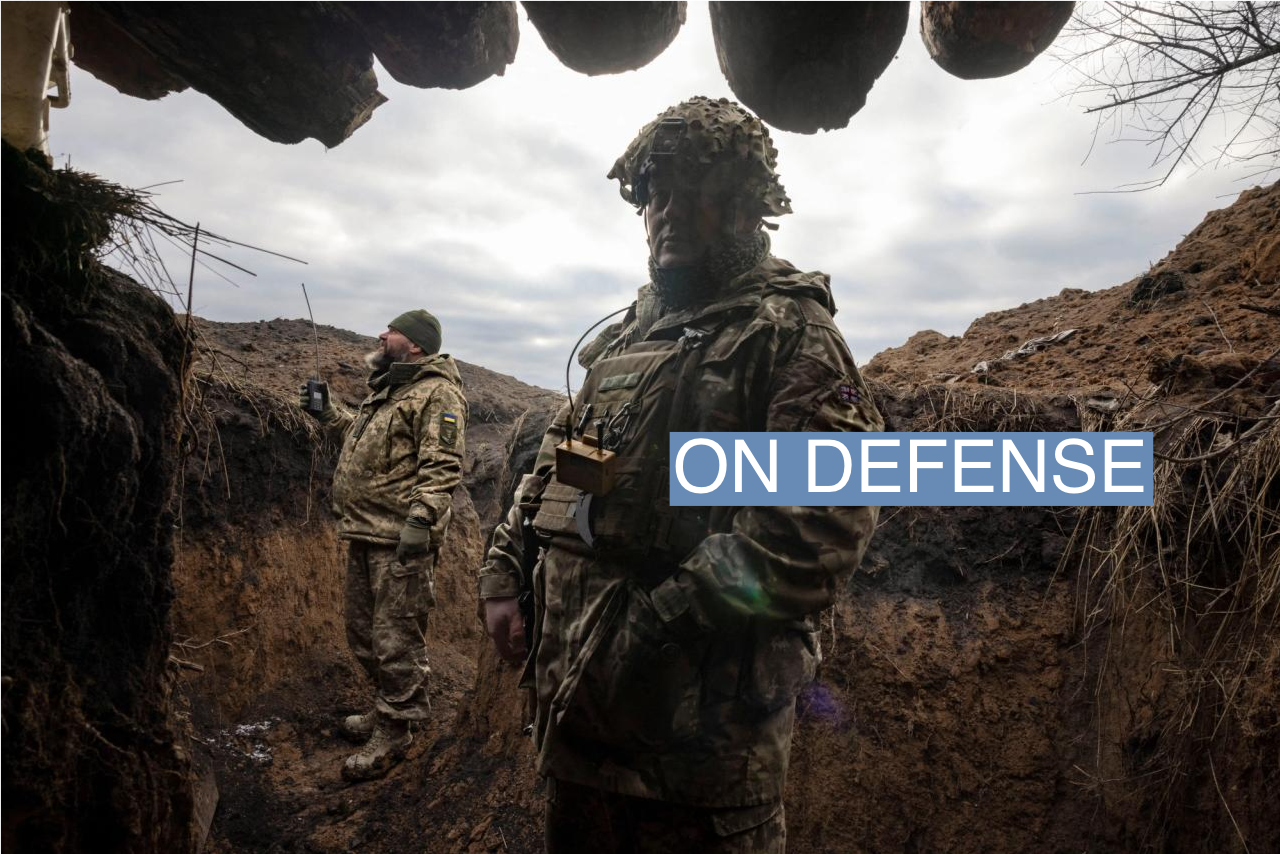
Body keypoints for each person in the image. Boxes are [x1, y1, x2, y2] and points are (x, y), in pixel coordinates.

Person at [477, 96, 884, 851]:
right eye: (652, 195)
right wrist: (507, 567)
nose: (663, 213)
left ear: (738, 206)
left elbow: (819, 519)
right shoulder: (633, 335)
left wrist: (661, 623)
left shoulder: (791, 334)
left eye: (686, 193)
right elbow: (573, 464)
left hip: (703, 761)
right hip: (585, 731)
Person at [300, 309, 466, 782]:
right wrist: (327, 412)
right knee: (364, 634)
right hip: (366, 530)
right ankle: (386, 706)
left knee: (395, 639)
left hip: (399, 539)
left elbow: (443, 465)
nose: (381, 334)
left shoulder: (439, 394)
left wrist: (421, 520)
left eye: (391, 330)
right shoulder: (392, 391)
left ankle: (397, 729)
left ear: (414, 344)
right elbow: (360, 439)